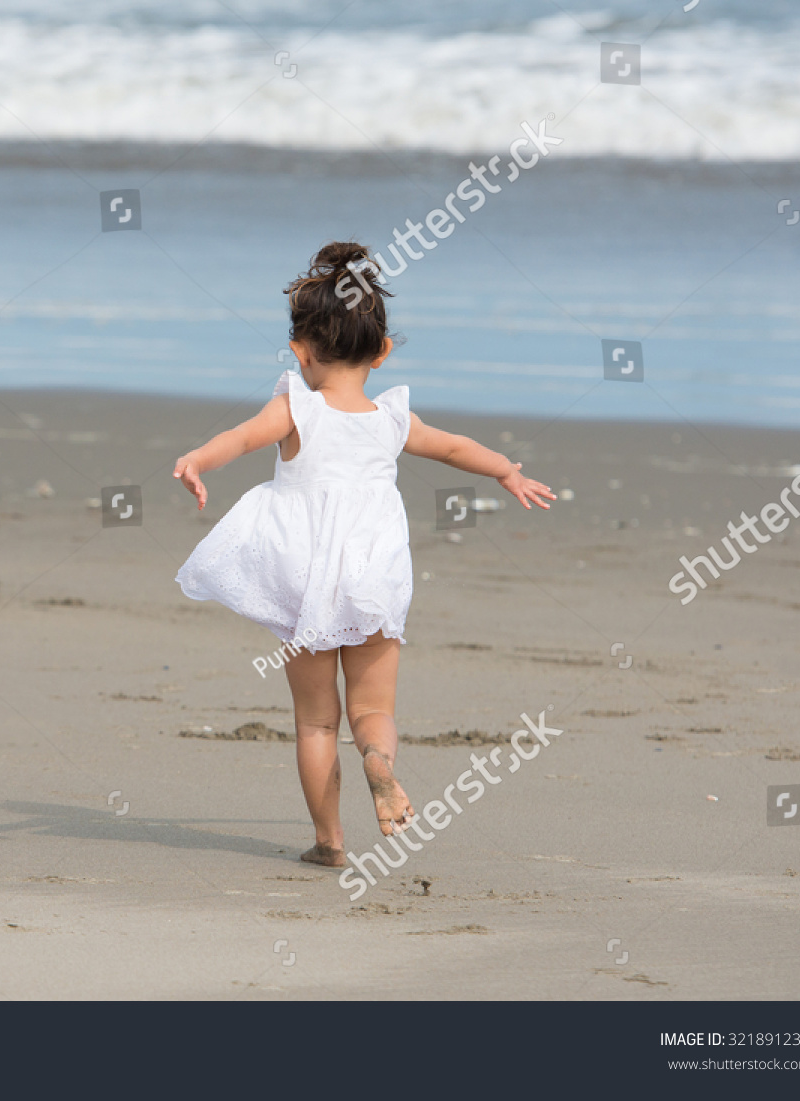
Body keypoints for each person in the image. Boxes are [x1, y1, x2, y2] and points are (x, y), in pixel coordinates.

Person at [173, 241, 554, 866]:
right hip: (375, 572)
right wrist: (506, 472)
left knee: (317, 722)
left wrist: (197, 461)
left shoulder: (295, 406)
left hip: (304, 580)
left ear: (299, 352)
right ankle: (378, 759)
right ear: (382, 352)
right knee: (373, 707)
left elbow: (240, 439)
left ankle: (330, 844)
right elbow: (455, 448)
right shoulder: (393, 418)